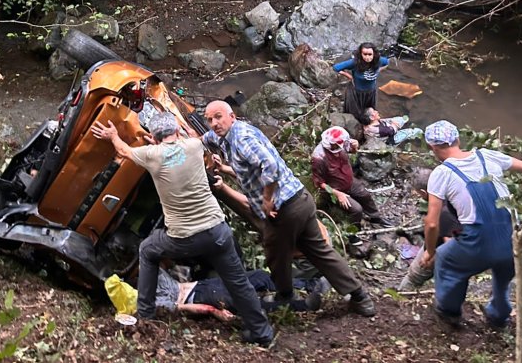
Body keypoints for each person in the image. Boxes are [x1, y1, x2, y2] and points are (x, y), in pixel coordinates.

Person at [91, 109, 275, 346]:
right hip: (218, 231)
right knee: (238, 282)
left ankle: (146, 319)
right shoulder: (194, 147)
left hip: (183, 239)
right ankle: (263, 335)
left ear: (154, 138)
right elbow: (185, 145)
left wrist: (113, 135)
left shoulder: (151, 154)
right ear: (176, 131)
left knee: (148, 249)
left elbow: (123, 151)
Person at [201, 100, 376, 318]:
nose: (214, 123)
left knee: (275, 253)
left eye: (218, 117)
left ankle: (285, 296)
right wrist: (214, 160)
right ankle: (360, 296)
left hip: (285, 210)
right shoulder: (226, 135)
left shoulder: (242, 139)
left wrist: (267, 199)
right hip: (301, 200)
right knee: (320, 252)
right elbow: (214, 145)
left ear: (232, 116)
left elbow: (271, 168)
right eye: (209, 120)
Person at [419, 120, 522, 328]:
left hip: (478, 243)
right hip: (512, 239)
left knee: (445, 258)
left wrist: (429, 251)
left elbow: (431, 224)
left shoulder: (441, 173)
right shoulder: (486, 155)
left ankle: (449, 311)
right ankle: (499, 315)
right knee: (502, 278)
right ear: (457, 139)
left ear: (433, 147)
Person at [153, 266, 327, 319]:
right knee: (252, 303)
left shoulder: (149, 275)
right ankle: (304, 304)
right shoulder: (150, 302)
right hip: (202, 296)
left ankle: (310, 285)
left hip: (204, 285)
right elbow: (180, 307)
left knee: (259, 276)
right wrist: (214, 311)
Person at [311, 126, 392, 228]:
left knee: (365, 195)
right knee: (356, 210)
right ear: (332, 144)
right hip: (335, 189)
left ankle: (375, 218)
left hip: (348, 181)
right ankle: (352, 232)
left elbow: (353, 151)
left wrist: (355, 146)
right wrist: (338, 194)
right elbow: (319, 183)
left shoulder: (341, 144)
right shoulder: (319, 157)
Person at [398, 168, 461, 291]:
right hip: (436, 242)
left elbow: (451, 243)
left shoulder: (444, 211)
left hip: (440, 249)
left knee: (414, 277)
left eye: (418, 193)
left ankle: (401, 298)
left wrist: (432, 256)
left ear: (423, 192)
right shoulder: (449, 192)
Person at [333, 42, 390, 127]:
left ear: (374, 54)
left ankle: (369, 123)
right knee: (355, 112)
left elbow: (387, 62)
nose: (367, 57)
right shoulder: (355, 63)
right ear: (361, 54)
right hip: (357, 92)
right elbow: (336, 67)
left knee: (370, 112)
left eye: (370, 54)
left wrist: (379, 70)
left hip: (371, 91)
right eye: (365, 54)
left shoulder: (379, 61)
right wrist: (350, 76)